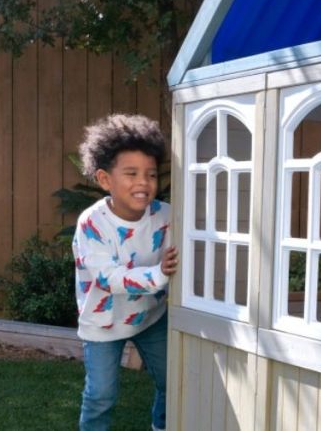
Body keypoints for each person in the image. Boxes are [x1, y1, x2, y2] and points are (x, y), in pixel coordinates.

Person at [73, 114, 178, 431]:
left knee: (173, 380)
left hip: (150, 315)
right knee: (101, 394)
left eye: (150, 174)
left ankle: (162, 426)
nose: (143, 182)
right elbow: (108, 278)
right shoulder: (92, 223)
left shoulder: (167, 216)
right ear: (105, 180)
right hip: (103, 323)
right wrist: (159, 273)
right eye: (131, 173)